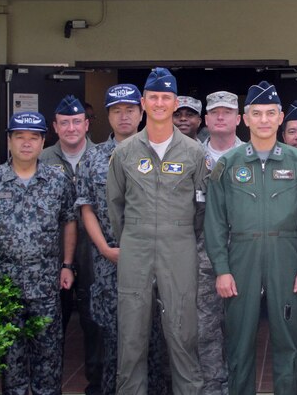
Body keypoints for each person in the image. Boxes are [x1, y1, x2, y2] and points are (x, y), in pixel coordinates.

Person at [205, 81, 297, 395]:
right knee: (239, 343)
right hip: (241, 256)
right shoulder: (227, 165)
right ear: (245, 119)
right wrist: (222, 269)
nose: (263, 120)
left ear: (280, 117)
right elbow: (214, 221)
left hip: (286, 256)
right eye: (256, 113)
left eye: (270, 113)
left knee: (287, 342)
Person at [107, 67, 207, 395]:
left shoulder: (194, 153)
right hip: (135, 244)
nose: (160, 103)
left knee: (182, 333)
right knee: (131, 337)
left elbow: (202, 208)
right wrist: (133, 237)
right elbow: (115, 206)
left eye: (166, 97)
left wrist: (178, 234)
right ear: (143, 102)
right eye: (154, 97)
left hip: (179, 245)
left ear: (175, 102)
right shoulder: (124, 153)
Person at [0, 111, 77, 395]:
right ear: (9, 141)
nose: (26, 144)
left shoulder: (57, 180)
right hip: (5, 284)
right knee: (11, 360)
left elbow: (69, 221)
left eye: (33, 138)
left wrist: (67, 264)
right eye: (20, 137)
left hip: (46, 283)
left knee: (49, 358)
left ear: (42, 143)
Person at [76, 84, 144, 395]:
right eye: (117, 110)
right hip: (109, 261)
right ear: (108, 116)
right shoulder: (92, 158)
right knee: (111, 337)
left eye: (130, 109)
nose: (124, 116)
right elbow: (85, 207)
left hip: (151, 260)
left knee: (153, 336)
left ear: (141, 113)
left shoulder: (156, 152)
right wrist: (104, 248)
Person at [41, 94, 102, 395]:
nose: (71, 128)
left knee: (94, 321)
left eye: (77, 122)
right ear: (55, 126)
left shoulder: (104, 157)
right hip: (54, 253)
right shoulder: (41, 160)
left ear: (87, 124)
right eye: (64, 123)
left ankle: (96, 386)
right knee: (52, 325)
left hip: (93, 251)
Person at [198, 90, 243, 395]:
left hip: (243, 254)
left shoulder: (254, 156)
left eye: (227, 112)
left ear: (239, 118)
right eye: (215, 112)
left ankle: (240, 386)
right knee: (205, 329)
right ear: (206, 119)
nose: (221, 117)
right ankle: (213, 388)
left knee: (241, 328)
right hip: (201, 257)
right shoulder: (190, 156)